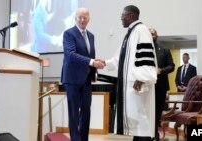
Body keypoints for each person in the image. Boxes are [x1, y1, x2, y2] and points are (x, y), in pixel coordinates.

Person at [101, 5, 157, 141]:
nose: (121, 18)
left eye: (123, 15)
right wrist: (104, 63)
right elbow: (120, 58)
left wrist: (142, 79)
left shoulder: (141, 30)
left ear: (131, 15)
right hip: (131, 86)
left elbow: (146, 58)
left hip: (138, 86)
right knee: (136, 124)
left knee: (142, 121)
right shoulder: (130, 33)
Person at [61, 8, 104, 141]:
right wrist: (92, 62)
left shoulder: (91, 35)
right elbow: (71, 55)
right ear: (75, 18)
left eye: (85, 17)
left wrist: (94, 71)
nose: (82, 19)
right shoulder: (69, 34)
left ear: (89, 19)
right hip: (72, 78)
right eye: (80, 17)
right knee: (74, 113)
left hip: (86, 79)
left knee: (86, 111)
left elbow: (90, 55)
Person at [149, 28, 175, 141]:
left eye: (153, 34)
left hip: (160, 86)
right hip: (146, 86)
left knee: (157, 111)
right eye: (149, 34)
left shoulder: (164, 50)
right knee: (147, 111)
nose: (151, 35)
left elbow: (172, 66)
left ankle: (155, 134)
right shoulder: (140, 50)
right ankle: (147, 134)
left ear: (157, 36)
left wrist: (161, 70)